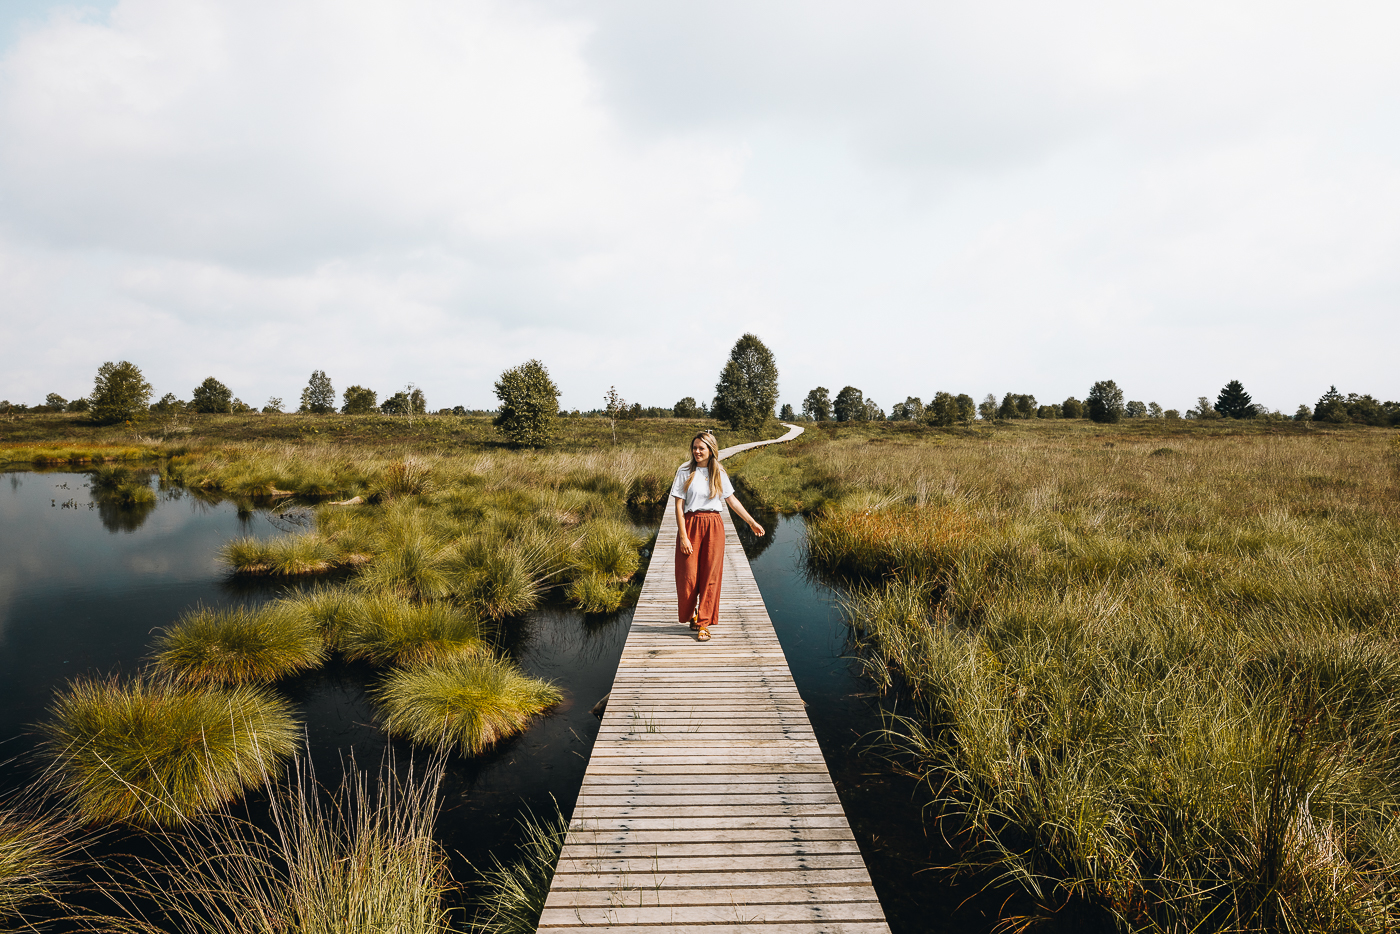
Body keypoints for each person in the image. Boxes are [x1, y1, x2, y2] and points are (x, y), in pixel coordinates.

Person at [670, 430, 765, 642]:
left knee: (710, 577)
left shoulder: (718, 472)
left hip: (714, 526)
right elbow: (678, 505)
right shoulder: (684, 471)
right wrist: (683, 536)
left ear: (711, 451)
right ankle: (692, 614)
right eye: (694, 448)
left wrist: (751, 522)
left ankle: (704, 623)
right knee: (688, 576)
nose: (696, 451)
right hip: (691, 524)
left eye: (701, 448)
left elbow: (732, 501)